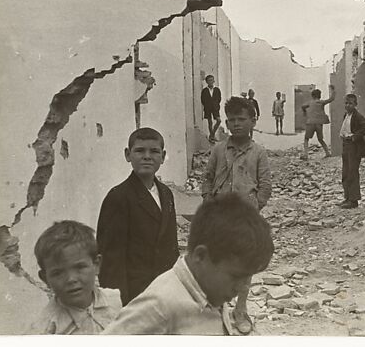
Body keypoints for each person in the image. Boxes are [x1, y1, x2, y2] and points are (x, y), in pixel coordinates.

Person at [103, 193, 274, 335]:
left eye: (247, 278)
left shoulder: (210, 291)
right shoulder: (159, 306)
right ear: (200, 256)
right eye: (236, 277)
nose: (242, 288)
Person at [201, 96, 272, 334]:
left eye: (242, 119)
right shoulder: (219, 149)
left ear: (253, 121)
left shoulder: (259, 152)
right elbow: (208, 178)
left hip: (245, 219)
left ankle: (241, 309)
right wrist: (208, 202)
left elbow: (265, 185)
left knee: (244, 264)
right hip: (219, 217)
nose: (236, 124)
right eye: (231, 120)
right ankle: (217, 308)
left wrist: (255, 208)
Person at [97, 127, 179, 306]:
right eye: (140, 150)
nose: (147, 156)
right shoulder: (118, 197)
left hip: (165, 289)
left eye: (154, 151)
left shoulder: (166, 194)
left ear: (163, 156)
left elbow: (171, 245)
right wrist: (119, 305)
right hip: (135, 293)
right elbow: (112, 259)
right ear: (128, 155)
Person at [29, 220, 122, 334]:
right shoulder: (44, 332)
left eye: (80, 267)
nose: (71, 279)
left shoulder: (119, 302)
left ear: (96, 265)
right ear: (45, 278)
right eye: (58, 273)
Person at [339, 93, 365, 209]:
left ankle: (353, 201)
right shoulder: (346, 115)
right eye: (346, 103)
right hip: (346, 145)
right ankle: (347, 197)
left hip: (353, 147)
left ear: (355, 105)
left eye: (351, 104)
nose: (348, 106)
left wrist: (355, 136)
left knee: (352, 172)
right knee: (345, 173)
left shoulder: (357, 116)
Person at [301, 85, 336, 160]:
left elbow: (303, 106)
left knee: (306, 138)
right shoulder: (322, 102)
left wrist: (305, 112)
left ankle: (306, 155)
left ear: (312, 96)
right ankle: (327, 153)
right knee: (320, 139)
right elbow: (331, 99)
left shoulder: (310, 103)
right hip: (319, 123)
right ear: (319, 96)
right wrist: (333, 90)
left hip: (310, 122)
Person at [200, 74, 222, 143]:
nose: (211, 82)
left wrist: (216, 105)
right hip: (208, 108)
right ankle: (212, 137)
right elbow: (202, 100)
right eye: (209, 80)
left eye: (212, 80)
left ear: (214, 81)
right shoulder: (205, 91)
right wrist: (207, 105)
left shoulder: (217, 90)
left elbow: (219, 98)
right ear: (207, 82)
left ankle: (212, 135)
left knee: (218, 121)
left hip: (215, 108)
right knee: (210, 122)